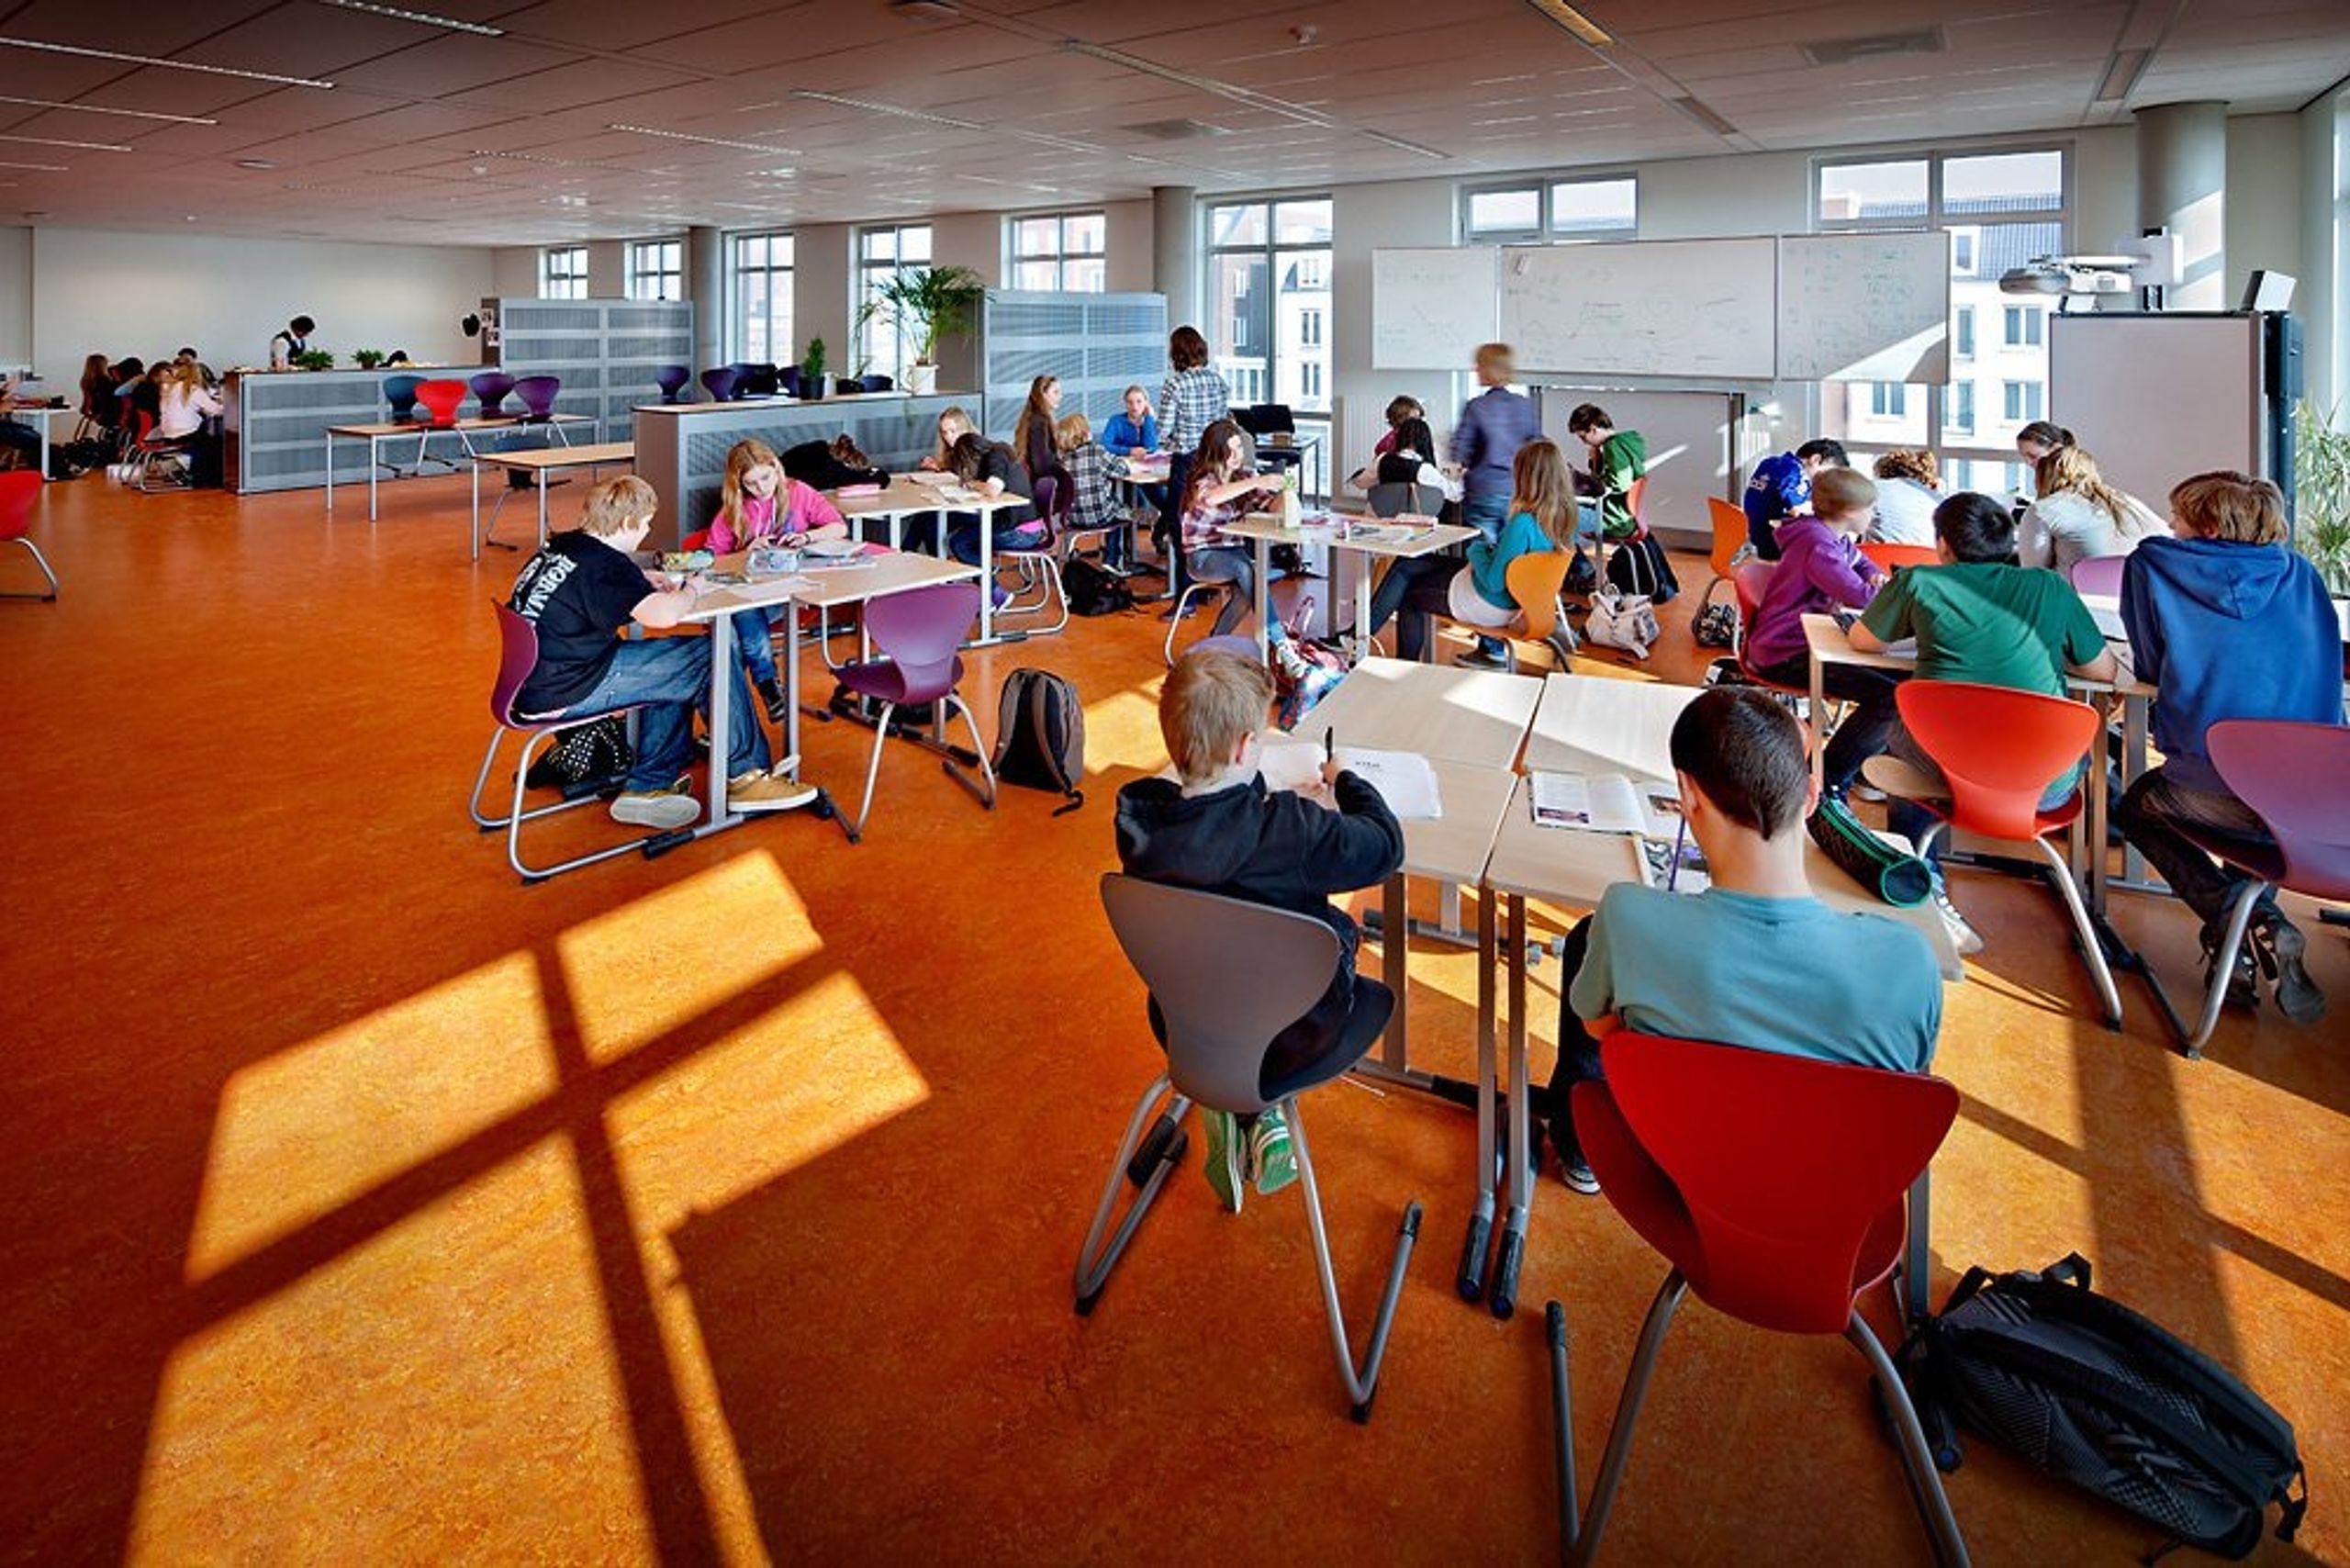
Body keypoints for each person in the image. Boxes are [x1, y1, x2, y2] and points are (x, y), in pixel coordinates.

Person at [1541, 687, 1942, 1192]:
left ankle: (1578, 1155)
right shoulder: (1910, 960)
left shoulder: (1626, 918)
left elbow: (1602, 1030)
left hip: (1674, 1174)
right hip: (1836, 1204)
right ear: (1811, 795)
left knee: (1589, 945)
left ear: (1687, 795)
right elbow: (1907, 1084)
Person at [1114, 646, 1405, 1210]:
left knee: (1242, 954)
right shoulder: (1293, 831)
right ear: (1246, 747)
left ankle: (1238, 1112)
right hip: (1298, 1035)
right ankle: (1258, 1113)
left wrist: (1257, 795)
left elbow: (1214, 837)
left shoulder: (1141, 826)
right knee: (1336, 935)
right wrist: (1346, 779)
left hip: (1186, 1023)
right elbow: (1385, 846)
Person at [1850, 491, 2118, 952]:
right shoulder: (2050, 588)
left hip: (1944, 769)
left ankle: (1923, 884)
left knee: (1903, 743)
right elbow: (2104, 671)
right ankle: (2087, 901)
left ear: (1943, 543)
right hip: (2044, 783)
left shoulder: (1919, 582)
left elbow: (1863, 641)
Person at [2116, 471, 2337, 1024]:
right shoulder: (2302, 573)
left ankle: (2239, 921)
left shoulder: (2153, 564)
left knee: (2137, 806)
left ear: (2210, 525)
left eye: (2179, 515)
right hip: (2316, 799)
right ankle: (2244, 935)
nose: (2170, 525)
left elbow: (2149, 665)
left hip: (2214, 790)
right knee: (2259, 825)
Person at [506, 476, 816, 830]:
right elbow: (665, 616)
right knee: (707, 657)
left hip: (536, 679)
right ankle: (747, 778)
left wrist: (641, 578)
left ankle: (649, 786)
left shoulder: (564, 545)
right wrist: (693, 589)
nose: (647, 530)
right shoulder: (607, 567)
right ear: (627, 522)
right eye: (646, 523)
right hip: (567, 688)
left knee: (674, 665)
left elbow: (590, 586)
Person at [1741, 468, 1897, 796]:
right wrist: (1891, 593)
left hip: (1800, 641)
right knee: (1890, 698)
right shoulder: (1818, 545)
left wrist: (1874, 576)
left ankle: (1864, 761)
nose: (1873, 516)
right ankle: (1829, 778)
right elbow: (1858, 596)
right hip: (1787, 652)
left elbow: (1860, 563)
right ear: (1850, 512)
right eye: (1870, 509)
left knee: (1901, 685)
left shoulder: (1827, 535)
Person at [1363, 438, 1572, 664]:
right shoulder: (1563, 519)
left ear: (1527, 477)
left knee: (1409, 593)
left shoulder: (1523, 523)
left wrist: (1476, 550)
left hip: (1488, 602)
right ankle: (1358, 635)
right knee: (1408, 564)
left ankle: (1377, 648)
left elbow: (1493, 582)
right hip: (1516, 602)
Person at [706, 438, 852, 722]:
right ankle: (767, 688)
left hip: (787, 593)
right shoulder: (733, 509)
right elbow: (710, 559)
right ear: (739, 484)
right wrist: (746, 552)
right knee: (738, 625)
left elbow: (838, 527)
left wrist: (806, 536)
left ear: (776, 467)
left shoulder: (798, 492)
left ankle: (728, 723)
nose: (761, 488)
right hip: (748, 592)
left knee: (732, 639)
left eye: (765, 477)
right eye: (751, 484)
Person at [1449, 343, 1541, 666]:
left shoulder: (1476, 408)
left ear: (1489, 369)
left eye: (1479, 365)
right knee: (1512, 562)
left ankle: (1491, 644)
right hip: (1518, 493)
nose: (1476, 370)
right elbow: (1536, 447)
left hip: (1484, 494)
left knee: (1484, 565)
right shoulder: (1524, 406)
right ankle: (1507, 626)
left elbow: (1460, 453)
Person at [1177, 419, 1290, 642]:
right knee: (1247, 572)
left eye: (1239, 447)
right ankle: (1279, 639)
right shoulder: (1202, 479)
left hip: (1234, 553)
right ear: (1216, 452)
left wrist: (1285, 491)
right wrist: (1258, 481)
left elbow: (1271, 506)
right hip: (1202, 556)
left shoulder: (1245, 476)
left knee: (1250, 586)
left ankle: (1215, 641)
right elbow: (1211, 498)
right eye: (1230, 450)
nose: (1237, 455)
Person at [1156, 326, 1232, 596]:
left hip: (1187, 461)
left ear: (1177, 353)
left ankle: (1185, 596)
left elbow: (1162, 430)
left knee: (1181, 527)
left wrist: (1169, 442)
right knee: (1206, 523)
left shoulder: (1175, 384)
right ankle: (1209, 583)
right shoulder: (1218, 381)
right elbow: (1224, 423)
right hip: (1214, 460)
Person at [2016, 445, 2154, 575]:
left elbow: (2032, 574)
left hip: (2074, 591)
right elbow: (2163, 537)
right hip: (2133, 589)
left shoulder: (2042, 510)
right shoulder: (2127, 502)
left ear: (2045, 476)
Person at [941, 430, 1044, 577]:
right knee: (948, 521)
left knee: (959, 542)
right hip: (1018, 524)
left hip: (1021, 532)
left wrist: (973, 485)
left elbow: (993, 489)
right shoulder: (998, 452)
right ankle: (982, 575)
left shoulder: (996, 456)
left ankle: (991, 586)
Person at [1743, 437, 1847, 560]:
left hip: (1758, 534)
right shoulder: (1795, 472)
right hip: (1776, 540)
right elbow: (1796, 510)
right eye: (1827, 474)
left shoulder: (1770, 462)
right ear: (1816, 460)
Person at [1057, 412, 1133, 570]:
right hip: (1101, 516)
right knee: (1121, 511)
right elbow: (1124, 470)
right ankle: (1112, 560)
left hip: (1073, 518)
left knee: (1114, 506)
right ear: (1085, 433)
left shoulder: (1063, 461)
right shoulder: (1098, 452)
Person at [1565, 403, 1648, 542]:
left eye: (1583, 437)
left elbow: (1620, 484)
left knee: (1561, 515)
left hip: (1612, 519)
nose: (1584, 443)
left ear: (1593, 429)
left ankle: (1573, 556)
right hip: (1625, 517)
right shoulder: (1628, 442)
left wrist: (1592, 477)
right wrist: (1595, 462)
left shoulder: (1612, 446)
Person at [1346, 416, 1460, 510]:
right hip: (1416, 521)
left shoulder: (1382, 459)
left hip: (1383, 517)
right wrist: (1463, 477)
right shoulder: (1424, 469)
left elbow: (1360, 483)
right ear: (1426, 440)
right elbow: (1455, 495)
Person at [1101, 384, 1167, 523]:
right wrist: (1129, 451)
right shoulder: (1116, 421)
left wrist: (1148, 419)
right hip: (1122, 471)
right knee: (1139, 502)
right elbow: (1105, 446)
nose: (1134, 406)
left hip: (1145, 471)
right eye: (1130, 402)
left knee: (1163, 499)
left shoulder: (1149, 421)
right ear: (1125, 404)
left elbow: (1151, 447)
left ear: (1146, 403)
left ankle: (1163, 525)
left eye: (1139, 402)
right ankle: (1134, 528)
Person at [1344, 395, 1428, 490]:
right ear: (1399, 419)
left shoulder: (1389, 440)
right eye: (1414, 420)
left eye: (1419, 419)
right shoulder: (1392, 442)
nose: (1418, 424)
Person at [1013, 374, 1069, 499]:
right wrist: (1065, 468)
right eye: (1055, 392)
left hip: (1037, 484)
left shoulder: (1033, 418)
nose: (1060, 396)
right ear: (1043, 394)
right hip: (1041, 487)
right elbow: (1041, 465)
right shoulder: (1039, 422)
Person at [780, 432, 889, 494]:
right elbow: (881, 480)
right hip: (786, 492)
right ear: (847, 464)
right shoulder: (833, 469)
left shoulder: (819, 447)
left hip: (779, 481)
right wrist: (872, 471)